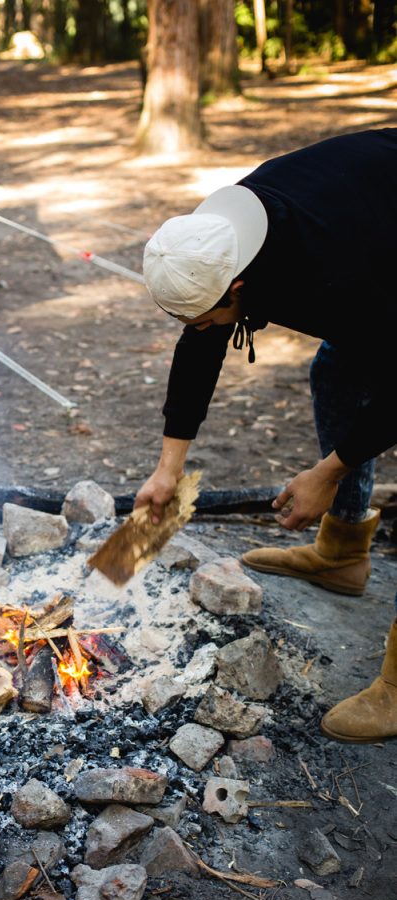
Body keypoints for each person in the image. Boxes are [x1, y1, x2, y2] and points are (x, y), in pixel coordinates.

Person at [137, 128, 397, 744]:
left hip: (381, 253)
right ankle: (343, 553)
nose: (197, 329)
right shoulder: (222, 239)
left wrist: (328, 471)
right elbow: (200, 343)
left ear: (239, 290)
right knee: (336, 366)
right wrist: (168, 467)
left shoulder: (338, 265)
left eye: (205, 316)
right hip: (375, 235)